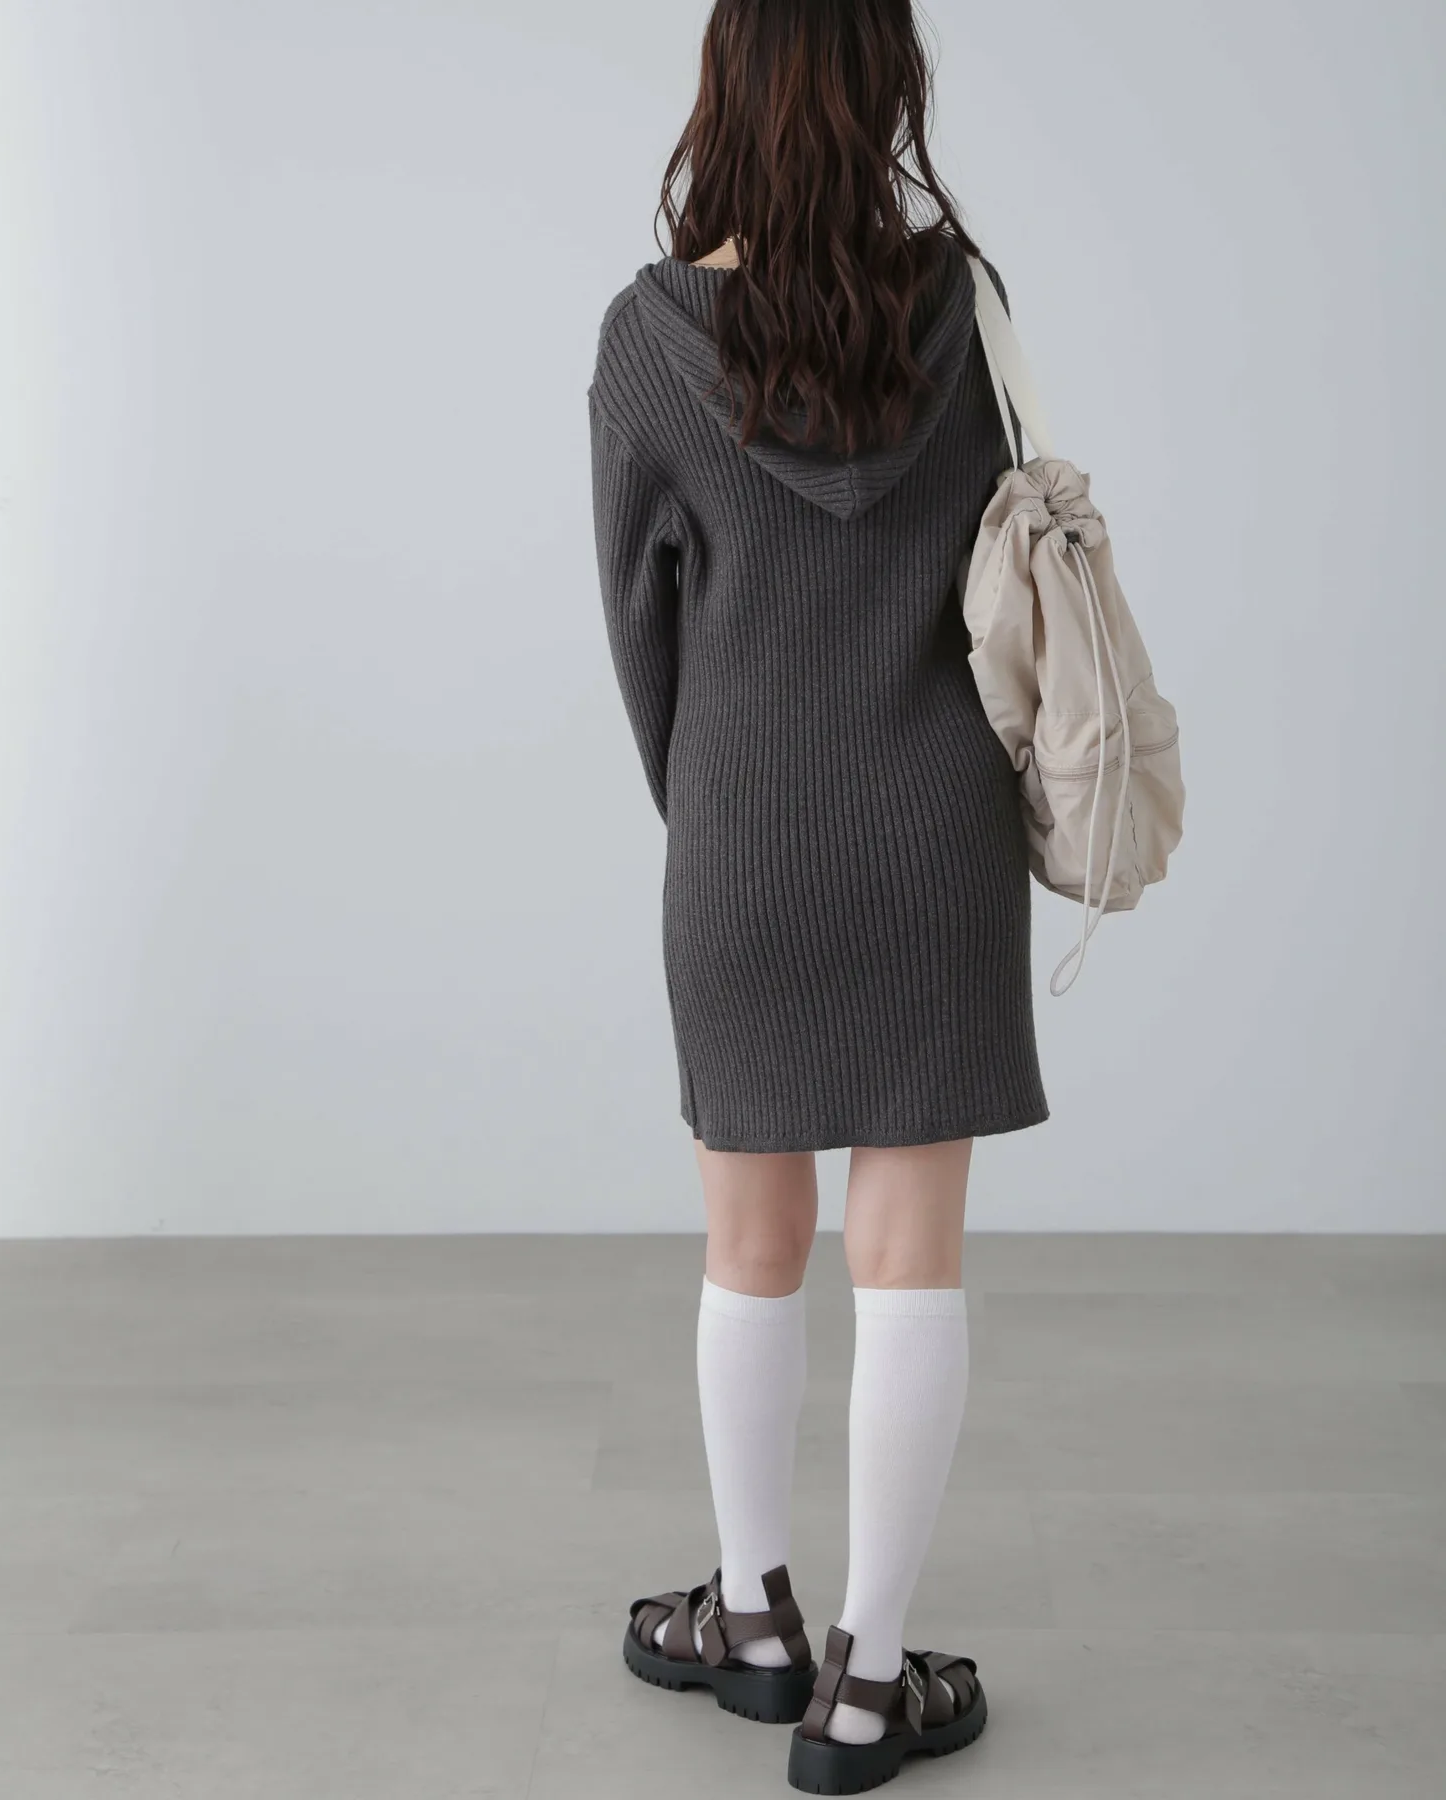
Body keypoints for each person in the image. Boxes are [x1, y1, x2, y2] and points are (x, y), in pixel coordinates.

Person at [587, 1, 1047, 1790]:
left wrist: (718, 818)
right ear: (887, 90)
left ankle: (755, 1622)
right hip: (938, 839)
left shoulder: (647, 342)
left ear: (725, 88)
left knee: (749, 1244)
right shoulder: (958, 306)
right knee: (909, 1258)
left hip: (744, 843)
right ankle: (866, 1688)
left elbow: (644, 641)